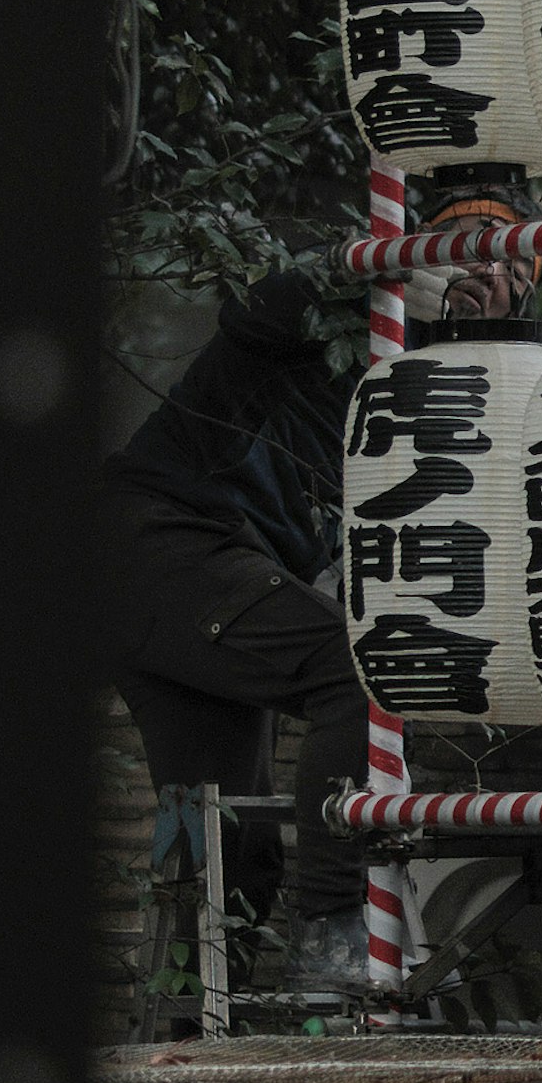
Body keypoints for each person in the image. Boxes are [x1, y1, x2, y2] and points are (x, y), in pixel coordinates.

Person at [100, 267, 369, 1008]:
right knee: (359, 666)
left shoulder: (421, 404)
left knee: (229, 844)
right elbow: (264, 304)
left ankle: (182, 1031)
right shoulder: (304, 341)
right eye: (475, 256)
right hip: (164, 538)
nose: (491, 277)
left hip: (175, 581)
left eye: (515, 269)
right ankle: (329, 933)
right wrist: (370, 270)